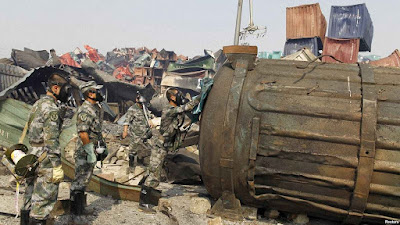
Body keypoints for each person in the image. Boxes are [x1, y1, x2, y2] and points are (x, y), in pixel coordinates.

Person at [21, 72, 72, 225]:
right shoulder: (51, 109)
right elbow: (51, 139)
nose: (67, 93)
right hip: (46, 157)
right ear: (55, 88)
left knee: (29, 195)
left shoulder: (38, 104)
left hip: (33, 154)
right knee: (44, 200)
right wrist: (56, 166)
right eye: (65, 89)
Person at [139, 88, 200, 212]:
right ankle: (143, 203)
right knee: (154, 176)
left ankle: (141, 192)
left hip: (163, 146)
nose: (180, 96)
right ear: (172, 98)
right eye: (178, 94)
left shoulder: (174, 111)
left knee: (152, 171)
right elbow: (186, 108)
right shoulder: (169, 110)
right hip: (160, 147)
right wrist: (200, 97)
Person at [70, 81, 107, 215]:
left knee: (85, 179)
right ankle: (75, 213)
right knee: (79, 181)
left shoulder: (95, 108)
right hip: (84, 151)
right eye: (97, 91)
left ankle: (81, 209)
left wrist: (102, 146)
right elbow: (83, 133)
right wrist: (90, 151)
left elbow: (95, 131)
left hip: (91, 149)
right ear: (90, 93)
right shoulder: (85, 109)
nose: (99, 93)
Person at [122, 94, 152, 171]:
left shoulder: (145, 108)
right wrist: (125, 131)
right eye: (140, 103)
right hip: (136, 134)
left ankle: (141, 165)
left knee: (143, 150)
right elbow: (126, 121)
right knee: (133, 150)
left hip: (146, 133)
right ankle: (131, 167)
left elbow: (148, 117)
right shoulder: (132, 109)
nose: (141, 105)